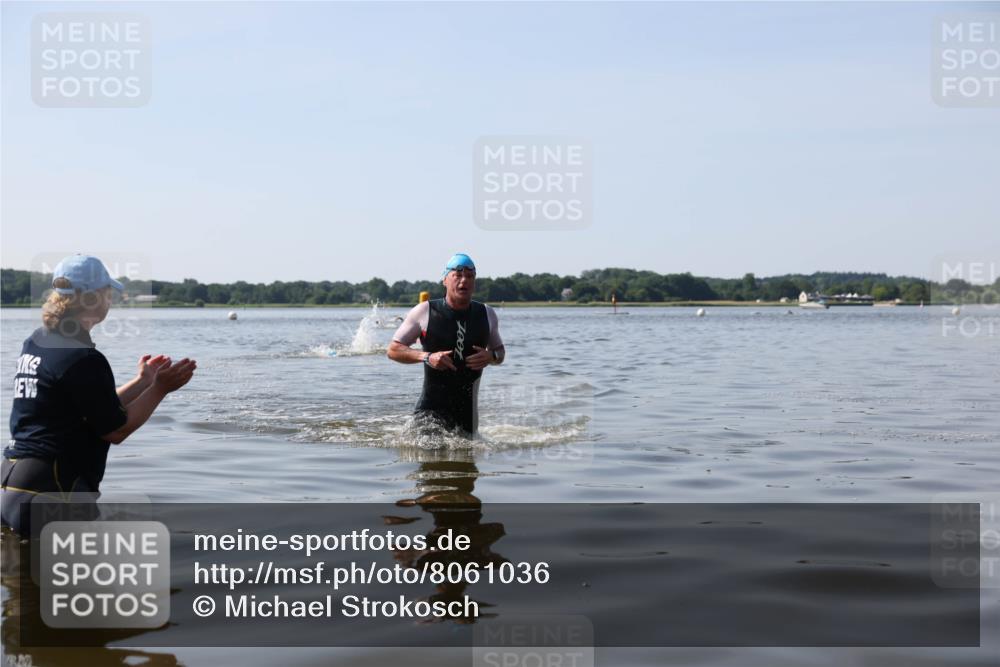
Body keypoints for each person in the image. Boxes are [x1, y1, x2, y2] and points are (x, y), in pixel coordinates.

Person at [1, 255, 196, 536]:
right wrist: (160, 389)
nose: (110, 300)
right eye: (107, 293)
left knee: (27, 577)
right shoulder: (83, 358)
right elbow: (115, 430)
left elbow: (89, 409)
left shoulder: (37, 341)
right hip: (52, 492)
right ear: (92, 299)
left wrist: (142, 382)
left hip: (12, 487)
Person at [388, 253, 504, 435]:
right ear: (445, 280)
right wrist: (426, 357)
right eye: (457, 275)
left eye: (470, 276)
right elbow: (393, 350)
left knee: (467, 459)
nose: (464, 280)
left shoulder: (486, 313)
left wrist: (492, 356)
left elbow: (500, 352)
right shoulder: (425, 311)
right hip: (429, 414)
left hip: (468, 417)